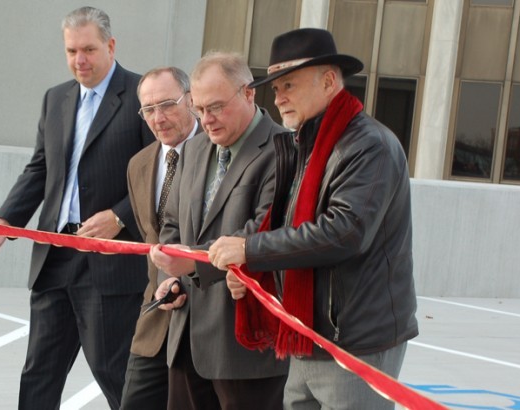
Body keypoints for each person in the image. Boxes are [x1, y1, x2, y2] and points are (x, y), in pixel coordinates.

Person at [208, 28, 419, 410]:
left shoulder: (369, 145)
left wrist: (250, 251)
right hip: (307, 331)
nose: (279, 97)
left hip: (355, 339)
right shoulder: (304, 144)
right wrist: (250, 266)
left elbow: (344, 232)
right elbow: (283, 225)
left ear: (328, 81)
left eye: (288, 83)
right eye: (274, 88)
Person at [0, 7, 154, 409]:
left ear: (110, 45)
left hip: (109, 261)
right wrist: (4, 220)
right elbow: (39, 170)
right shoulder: (56, 98)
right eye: (71, 51)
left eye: (88, 49)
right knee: (39, 372)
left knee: (113, 371)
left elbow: (159, 174)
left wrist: (120, 216)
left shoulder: (140, 95)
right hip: (54, 256)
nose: (79, 60)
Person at [148, 52, 289, 410]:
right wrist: (172, 270)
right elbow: (173, 223)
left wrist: (192, 265)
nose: (206, 121)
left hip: (244, 345)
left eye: (216, 108)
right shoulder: (194, 149)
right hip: (186, 339)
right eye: (198, 110)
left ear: (248, 93)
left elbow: (263, 231)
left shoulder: (284, 151)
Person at [121, 66, 200, 410]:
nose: (158, 117)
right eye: (148, 109)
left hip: (205, 322)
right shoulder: (139, 164)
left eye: (167, 105)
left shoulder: (220, 154)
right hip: (155, 318)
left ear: (191, 100)